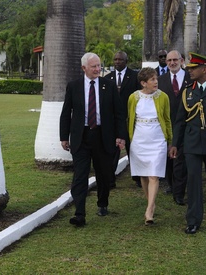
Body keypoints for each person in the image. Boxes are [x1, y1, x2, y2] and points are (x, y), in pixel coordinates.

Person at [60, 52, 127, 227]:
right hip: (81, 137)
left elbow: (119, 113)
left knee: (104, 174)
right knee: (80, 176)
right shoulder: (73, 86)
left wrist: (120, 136)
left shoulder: (109, 85)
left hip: (103, 136)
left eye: (99, 65)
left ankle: (102, 202)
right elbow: (66, 112)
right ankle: (79, 213)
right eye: (94, 66)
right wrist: (63, 136)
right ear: (84, 68)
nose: (98, 69)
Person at [169, 52, 206, 234]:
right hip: (192, 142)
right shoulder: (188, 92)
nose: (190, 71)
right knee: (193, 180)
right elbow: (180, 120)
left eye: (193, 68)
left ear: (205, 69)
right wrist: (175, 144)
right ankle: (193, 220)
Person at [128, 67, 172, 225]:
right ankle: (150, 204)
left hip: (158, 139)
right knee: (144, 175)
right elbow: (130, 119)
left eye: (156, 79)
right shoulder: (133, 97)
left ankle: (149, 209)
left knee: (154, 175)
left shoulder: (163, 97)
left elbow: (167, 119)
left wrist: (170, 140)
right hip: (139, 140)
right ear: (143, 83)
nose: (156, 82)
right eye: (152, 79)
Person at [158, 50, 192, 205]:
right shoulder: (160, 80)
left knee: (180, 159)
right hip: (166, 126)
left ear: (182, 60)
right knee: (168, 159)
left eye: (175, 60)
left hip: (187, 125)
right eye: (169, 60)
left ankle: (179, 193)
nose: (172, 63)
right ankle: (172, 185)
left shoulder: (191, 77)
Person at [105, 51, 140, 188]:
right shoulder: (108, 78)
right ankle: (110, 179)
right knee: (113, 151)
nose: (117, 62)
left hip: (131, 119)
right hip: (114, 121)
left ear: (126, 60)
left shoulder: (135, 77)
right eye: (115, 59)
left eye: (120, 59)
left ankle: (137, 178)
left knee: (133, 149)